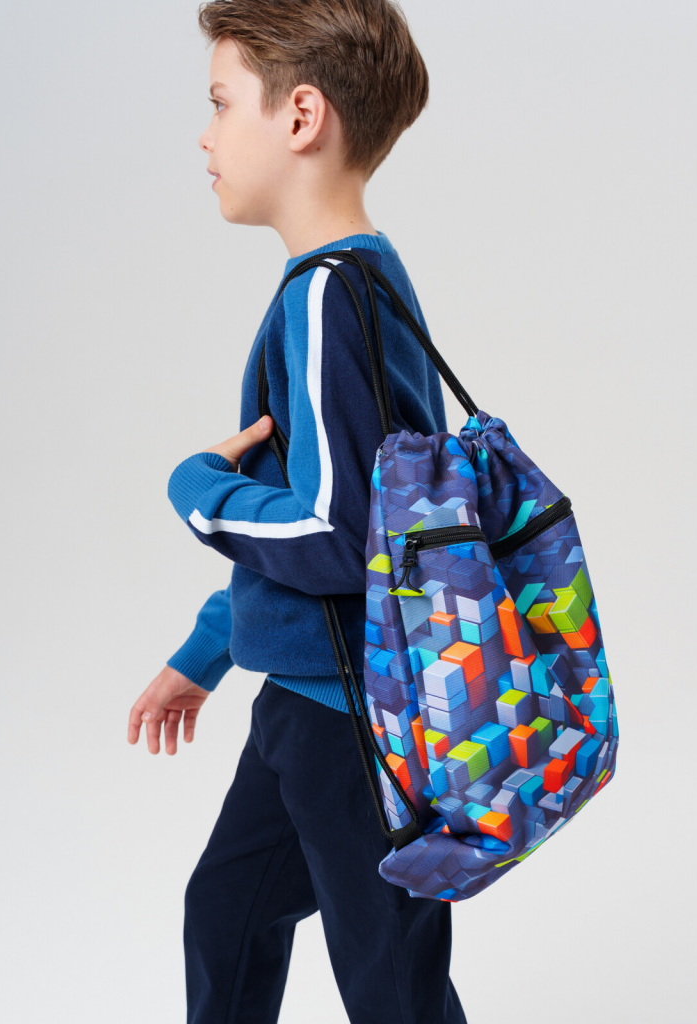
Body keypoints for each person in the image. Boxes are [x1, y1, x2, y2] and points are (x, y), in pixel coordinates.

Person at [127, 2, 468, 1021]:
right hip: (308, 705)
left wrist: (197, 488)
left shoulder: (327, 299)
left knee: (391, 979)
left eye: (221, 103)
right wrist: (209, 647)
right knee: (227, 915)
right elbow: (363, 521)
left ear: (301, 116)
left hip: (352, 724)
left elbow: (335, 535)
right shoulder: (362, 278)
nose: (205, 135)